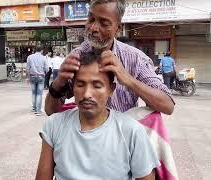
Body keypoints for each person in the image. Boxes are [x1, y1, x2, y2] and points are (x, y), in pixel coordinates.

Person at [36, 51, 160, 180]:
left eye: (97, 85)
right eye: (80, 84)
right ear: (73, 88)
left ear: (111, 89)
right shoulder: (54, 125)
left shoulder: (132, 131)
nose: (87, 94)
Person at [45, 0, 174, 115]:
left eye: (104, 23)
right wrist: (58, 82)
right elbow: (51, 111)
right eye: (91, 20)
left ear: (118, 28)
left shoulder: (136, 59)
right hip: (86, 138)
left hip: (123, 139)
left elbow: (168, 106)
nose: (94, 28)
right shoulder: (75, 58)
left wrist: (128, 80)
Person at [26, 46, 47, 115]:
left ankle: (34, 108)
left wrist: (27, 78)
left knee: (34, 93)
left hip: (32, 76)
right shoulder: (44, 57)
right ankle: (38, 111)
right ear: (41, 50)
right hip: (41, 77)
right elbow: (46, 69)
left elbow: (27, 68)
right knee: (39, 94)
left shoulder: (30, 57)